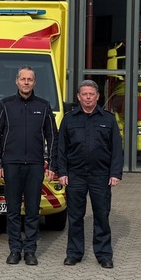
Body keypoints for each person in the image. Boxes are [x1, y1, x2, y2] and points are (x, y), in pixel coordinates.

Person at [0, 66, 57, 266]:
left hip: (35, 165)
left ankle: (30, 250)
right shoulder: (5, 105)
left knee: (32, 210)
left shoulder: (44, 106)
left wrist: (52, 164)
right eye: (23, 79)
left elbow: (53, 136)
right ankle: (14, 250)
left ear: (34, 83)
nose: (26, 82)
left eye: (30, 79)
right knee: (12, 211)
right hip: (11, 165)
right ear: (17, 81)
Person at [53, 80, 123, 268]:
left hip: (101, 175)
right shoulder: (69, 119)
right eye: (84, 94)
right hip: (75, 175)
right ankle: (74, 253)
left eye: (92, 94)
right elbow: (61, 148)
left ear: (98, 96)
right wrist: (62, 171)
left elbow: (116, 148)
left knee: (102, 215)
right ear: (78, 96)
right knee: (75, 216)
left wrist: (115, 173)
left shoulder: (108, 119)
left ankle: (104, 254)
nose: (88, 97)